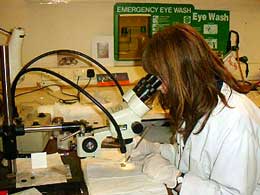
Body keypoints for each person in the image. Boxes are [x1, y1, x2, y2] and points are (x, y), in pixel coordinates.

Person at [130, 23, 260, 195]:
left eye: (160, 77)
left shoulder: (235, 120)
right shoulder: (197, 102)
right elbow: (193, 158)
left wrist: (177, 180)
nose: (158, 87)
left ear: (182, 73)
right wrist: (155, 149)